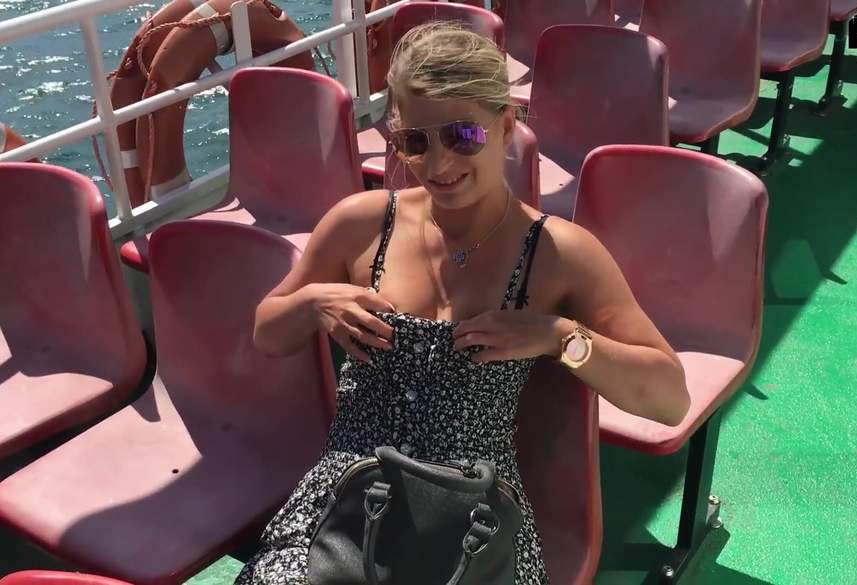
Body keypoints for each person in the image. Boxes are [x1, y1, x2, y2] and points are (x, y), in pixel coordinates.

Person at [236, 22, 690, 585]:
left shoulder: (558, 254)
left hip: (474, 517)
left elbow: (669, 398)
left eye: (463, 137)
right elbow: (267, 334)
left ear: (506, 126)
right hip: (348, 497)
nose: (438, 164)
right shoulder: (362, 223)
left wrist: (560, 337)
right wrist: (312, 302)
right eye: (415, 142)